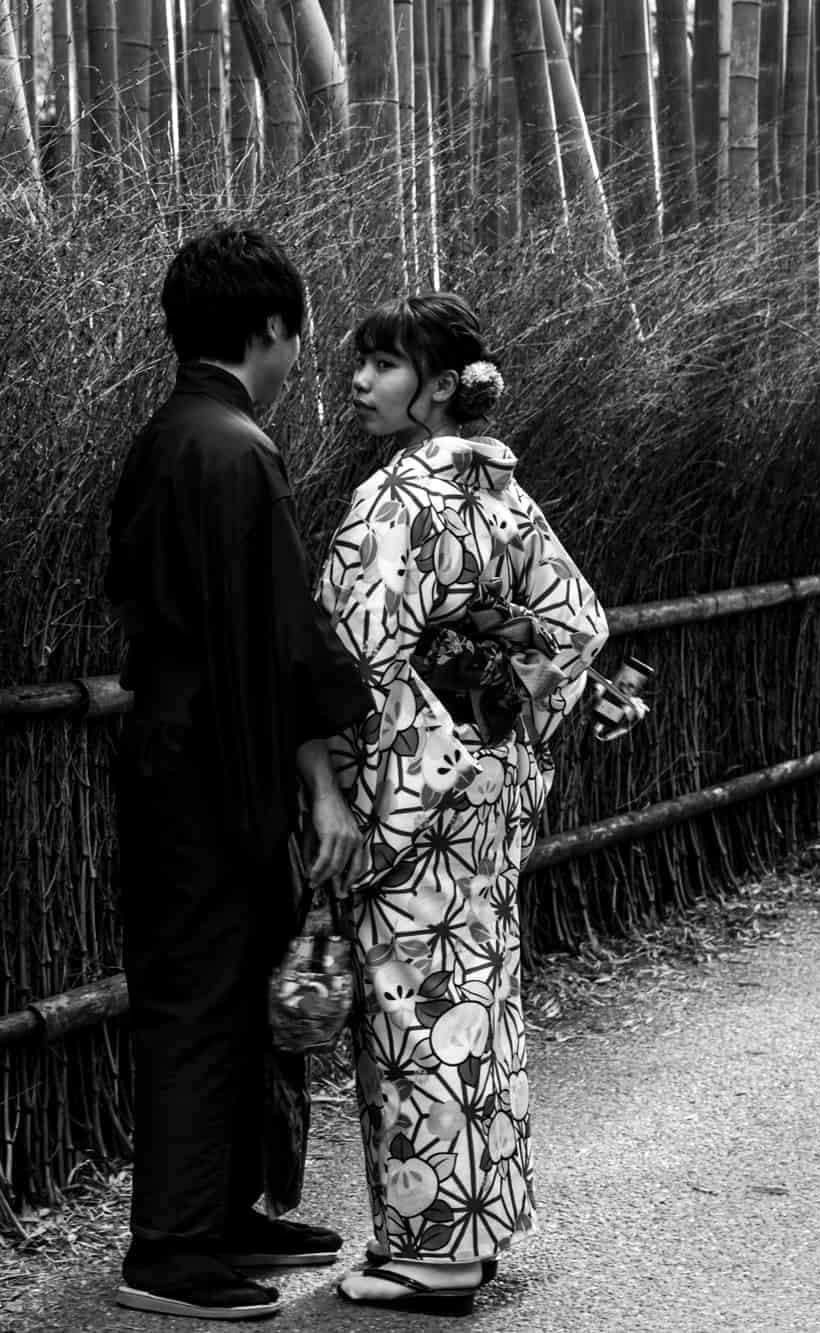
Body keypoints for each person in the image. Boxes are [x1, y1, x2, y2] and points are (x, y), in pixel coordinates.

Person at [315, 292, 643, 1312]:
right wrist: (499, 724)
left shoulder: (395, 501)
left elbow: (354, 659)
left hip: (415, 797)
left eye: (382, 364)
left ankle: (435, 1250)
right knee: (477, 1000)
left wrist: (382, 771)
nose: (360, 382)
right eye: (358, 363)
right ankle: (475, 1224)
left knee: (414, 1012)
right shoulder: (505, 497)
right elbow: (577, 626)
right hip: (487, 790)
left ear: (440, 385)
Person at [102, 227, 375, 1321]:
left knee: (221, 990)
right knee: (198, 1000)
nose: (304, 348)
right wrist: (321, 783)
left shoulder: (171, 436)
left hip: (184, 748)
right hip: (209, 765)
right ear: (270, 328)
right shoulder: (233, 448)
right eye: (297, 328)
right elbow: (281, 639)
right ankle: (167, 1250)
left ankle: (221, 1214)